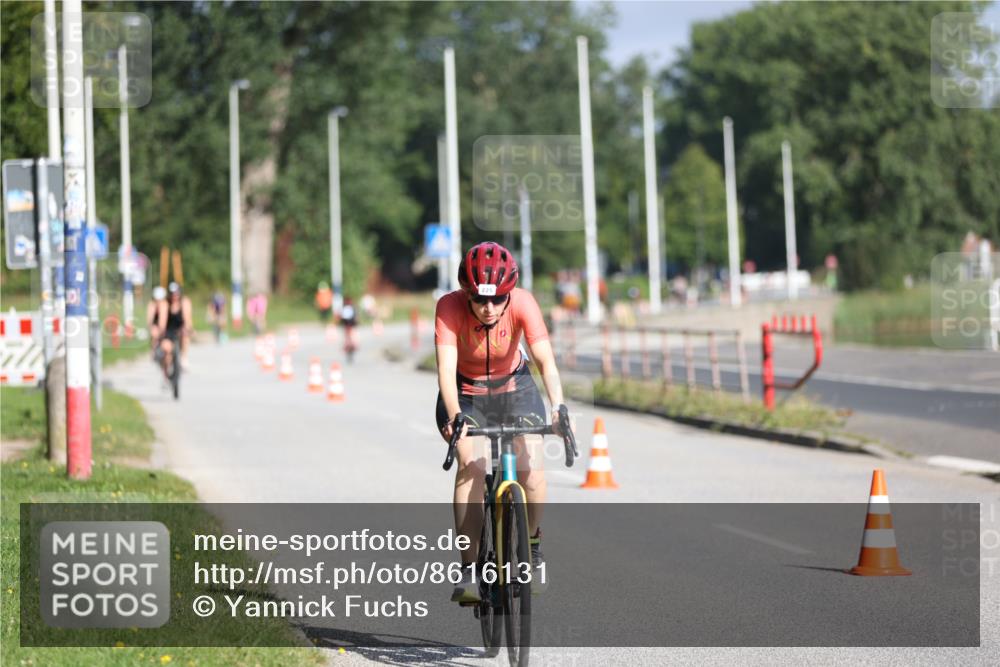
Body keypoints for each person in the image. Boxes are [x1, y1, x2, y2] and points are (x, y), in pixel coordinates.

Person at [435, 241, 570, 603]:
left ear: (510, 294)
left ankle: (532, 547)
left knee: (531, 466)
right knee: (472, 466)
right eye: (479, 299)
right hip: (465, 394)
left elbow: (546, 361)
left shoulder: (524, 303)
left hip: (516, 387)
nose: (489, 308)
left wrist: (558, 407)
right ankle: (469, 570)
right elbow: (446, 371)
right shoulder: (448, 307)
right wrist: (455, 415)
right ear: (466, 292)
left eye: (498, 300)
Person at [156, 282, 193, 375]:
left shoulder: (184, 302)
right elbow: (162, 320)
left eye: (176, 294)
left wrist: (188, 328)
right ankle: (166, 373)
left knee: (185, 335)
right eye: (172, 294)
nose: (174, 296)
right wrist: (161, 332)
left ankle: (183, 358)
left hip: (180, 328)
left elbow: (187, 318)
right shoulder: (165, 304)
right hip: (169, 330)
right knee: (166, 349)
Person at [147, 286, 167, 357]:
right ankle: (154, 349)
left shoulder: (165, 305)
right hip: (156, 326)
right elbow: (149, 320)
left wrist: (161, 329)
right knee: (154, 332)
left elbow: (163, 320)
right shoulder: (152, 305)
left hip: (164, 326)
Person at [340, 295, 358, 361]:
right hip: (349, 325)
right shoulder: (351, 307)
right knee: (350, 337)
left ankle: (351, 345)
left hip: (349, 325)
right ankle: (351, 345)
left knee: (349, 337)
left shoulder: (347, 308)